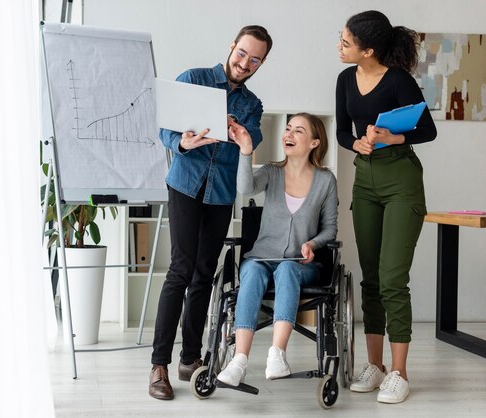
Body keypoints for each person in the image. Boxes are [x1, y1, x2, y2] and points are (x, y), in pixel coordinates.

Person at [149, 25, 273, 401]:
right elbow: (165, 127)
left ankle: (190, 359)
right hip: (185, 183)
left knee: (204, 275)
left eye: (255, 60)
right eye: (242, 53)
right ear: (232, 46)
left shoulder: (252, 105)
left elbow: (253, 140)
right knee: (180, 269)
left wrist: (243, 137)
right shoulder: (194, 80)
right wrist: (181, 142)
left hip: (220, 194)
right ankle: (159, 365)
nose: (245, 63)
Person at [335, 10, 437, 404]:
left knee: (394, 278)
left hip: (401, 182)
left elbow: (426, 130)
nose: (340, 47)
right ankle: (375, 365)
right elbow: (344, 130)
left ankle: (399, 372)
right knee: (371, 279)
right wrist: (355, 143)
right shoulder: (345, 79)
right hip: (366, 180)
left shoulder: (399, 80)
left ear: (369, 50)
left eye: (346, 42)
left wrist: (393, 137)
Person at [216, 113, 338, 387]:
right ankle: (239, 360)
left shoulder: (325, 181)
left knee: (286, 270)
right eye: (288, 129)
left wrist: (312, 244)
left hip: (300, 265)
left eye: (298, 131)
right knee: (253, 271)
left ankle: (277, 355)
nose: (289, 135)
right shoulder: (271, 172)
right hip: (262, 257)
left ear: (314, 142)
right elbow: (245, 188)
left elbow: (330, 229)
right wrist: (246, 152)